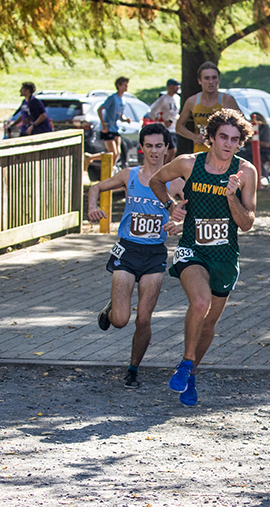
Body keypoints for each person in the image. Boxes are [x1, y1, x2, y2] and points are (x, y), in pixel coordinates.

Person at [149, 109, 258, 407]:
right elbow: (156, 181)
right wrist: (171, 206)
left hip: (225, 255)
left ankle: (191, 374)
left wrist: (231, 196)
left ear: (240, 143)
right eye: (223, 137)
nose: (228, 144)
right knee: (200, 302)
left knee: (208, 325)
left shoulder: (245, 172)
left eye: (235, 140)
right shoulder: (188, 163)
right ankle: (186, 362)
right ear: (210, 138)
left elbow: (247, 223)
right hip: (191, 248)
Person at [86, 123, 184, 388]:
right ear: (142, 147)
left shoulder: (175, 182)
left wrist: (180, 225)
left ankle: (133, 369)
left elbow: (192, 213)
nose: (154, 151)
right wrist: (93, 208)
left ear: (167, 148)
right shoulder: (129, 175)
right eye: (149, 145)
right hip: (127, 249)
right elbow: (95, 187)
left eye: (159, 146)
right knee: (120, 320)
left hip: (155, 254)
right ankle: (110, 312)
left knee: (143, 318)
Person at [176, 62, 243, 154]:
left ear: (218, 80)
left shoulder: (227, 100)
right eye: (206, 78)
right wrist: (194, 137)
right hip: (200, 153)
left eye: (214, 78)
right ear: (200, 81)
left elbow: (243, 126)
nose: (210, 82)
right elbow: (179, 127)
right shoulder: (192, 101)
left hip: (223, 154)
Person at [97, 77, 132, 166]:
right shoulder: (112, 98)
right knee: (112, 152)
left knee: (117, 153)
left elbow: (120, 114)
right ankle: (107, 170)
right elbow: (100, 109)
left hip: (115, 128)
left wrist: (125, 119)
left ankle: (109, 169)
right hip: (108, 128)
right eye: (124, 85)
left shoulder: (123, 100)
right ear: (118, 85)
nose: (126, 87)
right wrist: (103, 124)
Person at [148, 78, 181, 164]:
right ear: (169, 87)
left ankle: (165, 168)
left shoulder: (177, 98)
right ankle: (165, 169)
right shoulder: (163, 99)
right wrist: (163, 121)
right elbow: (152, 113)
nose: (177, 87)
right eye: (175, 86)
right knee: (172, 150)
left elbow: (175, 113)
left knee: (171, 152)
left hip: (174, 128)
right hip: (165, 129)